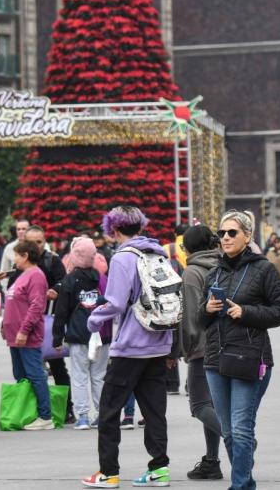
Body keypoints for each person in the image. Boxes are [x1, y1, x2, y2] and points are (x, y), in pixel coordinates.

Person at [81, 206, 176, 488]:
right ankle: (159, 469)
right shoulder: (157, 253)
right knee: (154, 410)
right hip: (159, 342)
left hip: (132, 346)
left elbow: (117, 302)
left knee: (109, 410)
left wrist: (93, 321)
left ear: (115, 229)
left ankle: (108, 472)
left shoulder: (123, 258)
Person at [201, 210, 280, 490]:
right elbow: (199, 321)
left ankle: (240, 485)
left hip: (250, 357)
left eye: (232, 233)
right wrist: (206, 309)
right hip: (215, 359)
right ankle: (244, 477)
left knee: (241, 429)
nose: (225, 238)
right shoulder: (213, 272)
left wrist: (246, 312)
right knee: (228, 431)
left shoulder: (263, 269)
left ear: (247, 236)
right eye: (221, 233)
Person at [179, 224, 226, 481]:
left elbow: (190, 318)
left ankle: (239, 440)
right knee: (212, 405)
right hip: (225, 342)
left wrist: (186, 350)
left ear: (186, 248)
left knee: (198, 405)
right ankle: (211, 460)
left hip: (202, 347)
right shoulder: (223, 264)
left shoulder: (192, 272)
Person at [52, 236, 110, 431]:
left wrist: (57, 337)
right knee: (99, 376)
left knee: (79, 376)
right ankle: (103, 414)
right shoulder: (102, 278)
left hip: (78, 335)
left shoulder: (69, 280)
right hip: (102, 334)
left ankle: (83, 416)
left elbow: (61, 312)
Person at [2, 239, 55, 431]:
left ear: (25, 256)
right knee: (21, 375)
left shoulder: (36, 276)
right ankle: (28, 411)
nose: (14, 258)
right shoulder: (23, 275)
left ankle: (45, 416)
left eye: (16, 255)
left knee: (35, 375)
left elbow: (36, 306)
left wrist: (24, 330)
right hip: (14, 336)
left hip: (26, 335)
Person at [24, 225, 72, 422]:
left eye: (39, 242)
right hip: (26, 322)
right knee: (28, 369)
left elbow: (64, 282)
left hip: (48, 321)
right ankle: (31, 409)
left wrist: (55, 290)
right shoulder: (21, 262)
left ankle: (67, 408)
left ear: (44, 242)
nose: (36, 246)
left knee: (57, 365)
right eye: (31, 242)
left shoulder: (52, 260)